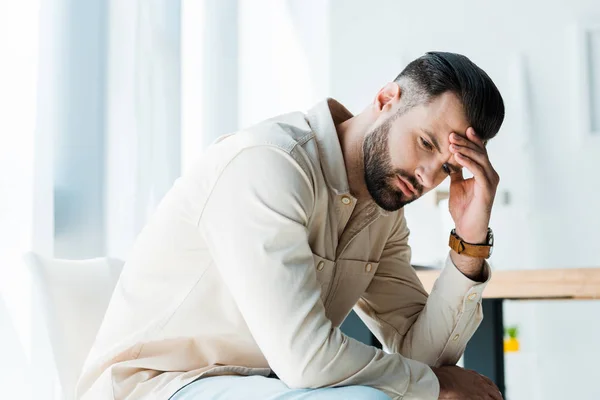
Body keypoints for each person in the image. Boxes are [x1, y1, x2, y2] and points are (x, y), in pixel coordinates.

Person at [77, 51, 505, 400]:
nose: (428, 178)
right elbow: (307, 359)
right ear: (386, 99)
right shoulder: (270, 165)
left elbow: (421, 354)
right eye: (426, 143)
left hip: (257, 386)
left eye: (447, 167)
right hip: (157, 386)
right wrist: (436, 385)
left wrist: (469, 241)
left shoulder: (382, 212)